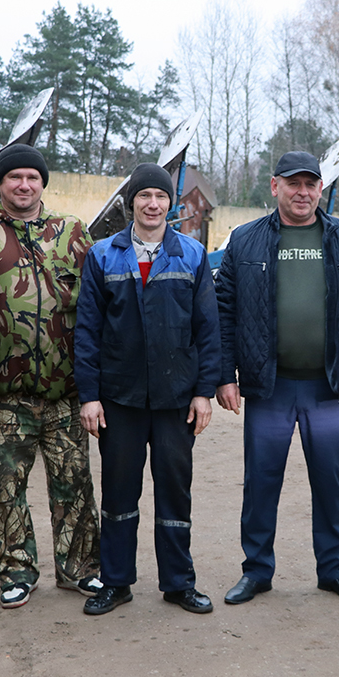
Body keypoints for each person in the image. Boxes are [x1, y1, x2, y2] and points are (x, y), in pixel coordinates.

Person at [215, 151, 339, 606]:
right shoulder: (245, 241)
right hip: (269, 385)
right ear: (275, 186)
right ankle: (256, 571)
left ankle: (333, 570)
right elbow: (224, 310)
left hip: (328, 387)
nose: (302, 192)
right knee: (261, 481)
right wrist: (225, 375)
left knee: (330, 481)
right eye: (293, 184)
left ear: (321, 190)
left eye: (311, 184)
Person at [74, 163, 219, 616]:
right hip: (121, 398)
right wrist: (90, 396)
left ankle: (178, 582)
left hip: (177, 398)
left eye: (160, 196)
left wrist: (204, 391)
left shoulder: (192, 255)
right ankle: (116, 582)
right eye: (144, 196)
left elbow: (208, 330)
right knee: (119, 493)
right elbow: (86, 332)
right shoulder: (102, 255)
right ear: (130, 202)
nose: (152, 204)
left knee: (176, 492)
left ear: (170, 202)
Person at [0, 144, 102, 610]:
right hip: (4, 395)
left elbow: (96, 308)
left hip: (65, 392)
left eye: (33, 178)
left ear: (43, 183)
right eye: (14, 178)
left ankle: (80, 569)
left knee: (75, 485)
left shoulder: (73, 233)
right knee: (4, 488)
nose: (24, 185)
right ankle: (15, 572)